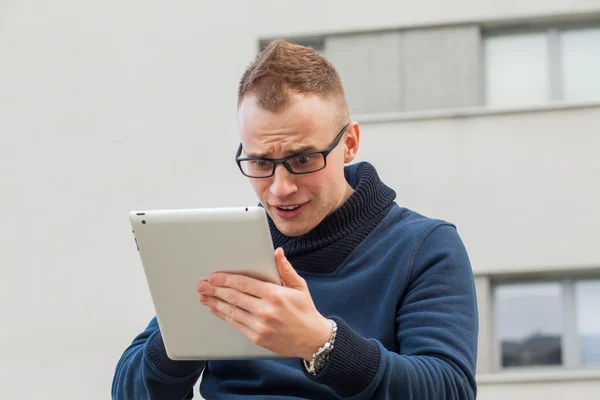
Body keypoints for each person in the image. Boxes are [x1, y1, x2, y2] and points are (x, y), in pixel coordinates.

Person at [112, 39, 478, 399]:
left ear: (349, 144)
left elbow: (449, 389)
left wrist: (321, 343)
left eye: (303, 160)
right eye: (260, 163)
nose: (280, 188)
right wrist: (189, 321)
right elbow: (128, 392)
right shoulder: (229, 246)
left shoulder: (424, 247)